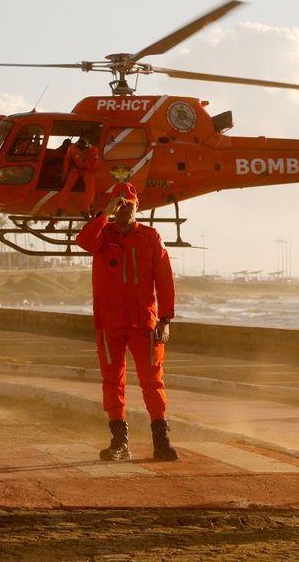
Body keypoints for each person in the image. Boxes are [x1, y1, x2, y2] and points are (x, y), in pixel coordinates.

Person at [75, 181, 179, 461]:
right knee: (112, 382)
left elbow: (165, 280)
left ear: (138, 207)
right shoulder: (101, 236)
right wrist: (104, 213)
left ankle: (161, 441)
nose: (125, 210)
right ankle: (119, 442)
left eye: (129, 205)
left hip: (144, 323)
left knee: (153, 381)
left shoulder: (151, 237)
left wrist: (165, 318)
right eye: (119, 205)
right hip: (109, 323)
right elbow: (83, 241)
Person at [55, 137, 101, 216]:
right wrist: (65, 171)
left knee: (90, 189)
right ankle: (60, 208)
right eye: (81, 149)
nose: (84, 151)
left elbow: (95, 167)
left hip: (88, 170)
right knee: (67, 186)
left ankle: (85, 209)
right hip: (76, 168)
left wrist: (85, 161)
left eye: (85, 149)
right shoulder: (72, 148)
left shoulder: (94, 151)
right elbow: (67, 159)